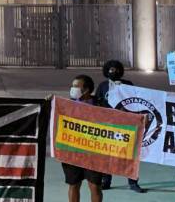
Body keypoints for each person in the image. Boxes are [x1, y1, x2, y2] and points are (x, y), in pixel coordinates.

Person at [94, 60, 145, 193]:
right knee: (106, 154)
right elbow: (97, 103)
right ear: (106, 71)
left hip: (125, 125)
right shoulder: (103, 86)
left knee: (130, 154)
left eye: (116, 69)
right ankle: (106, 181)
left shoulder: (128, 84)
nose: (114, 72)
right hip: (107, 125)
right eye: (111, 69)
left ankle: (133, 182)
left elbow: (136, 101)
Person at [62, 75, 103, 202]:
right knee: (74, 185)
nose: (72, 89)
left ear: (86, 90)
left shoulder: (100, 104)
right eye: (72, 86)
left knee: (95, 186)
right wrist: (48, 103)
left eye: (76, 86)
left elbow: (118, 119)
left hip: (94, 153)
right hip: (72, 152)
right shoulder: (66, 105)